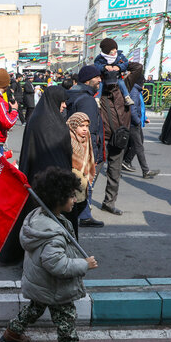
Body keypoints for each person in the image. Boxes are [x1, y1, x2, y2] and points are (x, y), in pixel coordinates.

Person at [0, 166, 98, 342]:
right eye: (71, 196)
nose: (74, 200)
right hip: (55, 285)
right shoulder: (53, 234)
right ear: (58, 199)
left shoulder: (39, 216)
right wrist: (84, 264)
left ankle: (13, 332)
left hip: (40, 282)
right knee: (66, 317)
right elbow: (58, 266)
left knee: (35, 307)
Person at [0, 86, 72, 264]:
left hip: (39, 179)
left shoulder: (40, 118)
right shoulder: (46, 121)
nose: (63, 105)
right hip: (48, 182)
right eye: (61, 101)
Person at [99, 62, 143, 216]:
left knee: (115, 172)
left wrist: (119, 65)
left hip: (119, 138)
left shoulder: (125, 85)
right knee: (93, 172)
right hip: (102, 138)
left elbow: (138, 67)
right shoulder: (100, 89)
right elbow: (90, 71)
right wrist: (104, 67)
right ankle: (83, 207)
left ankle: (109, 203)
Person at [66, 65, 106, 228]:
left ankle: (81, 213)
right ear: (88, 80)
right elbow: (89, 130)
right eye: (97, 78)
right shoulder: (87, 100)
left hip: (74, 146)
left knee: (80, 181)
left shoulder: (74, 94)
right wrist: (93, 155)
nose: (99, 80)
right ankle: (84, 215)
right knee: (85, 181)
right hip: (84, 148)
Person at [122, 74, 160, 179]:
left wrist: (144, 118)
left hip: (135, 122)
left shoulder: (137, 91)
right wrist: (138, 121)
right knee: (138, 146)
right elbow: (133, 109)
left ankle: (124, 162)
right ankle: (145, 171)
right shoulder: (134, 92)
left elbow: (140, 107)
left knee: (133, 144)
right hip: (133, 123)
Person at [94, 38, 134, 106]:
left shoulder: (119, 56)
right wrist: (104, 67)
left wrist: (119, 67)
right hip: (105, 77)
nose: (114, 51)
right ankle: (97, 99)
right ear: (107, 51)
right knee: (100, 84)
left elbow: (125, 63)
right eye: (112, 50)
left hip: (117, 77)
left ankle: (127, 97)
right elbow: (97, 65)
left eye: (115, 49)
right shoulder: (100, 58)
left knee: (121, 83)